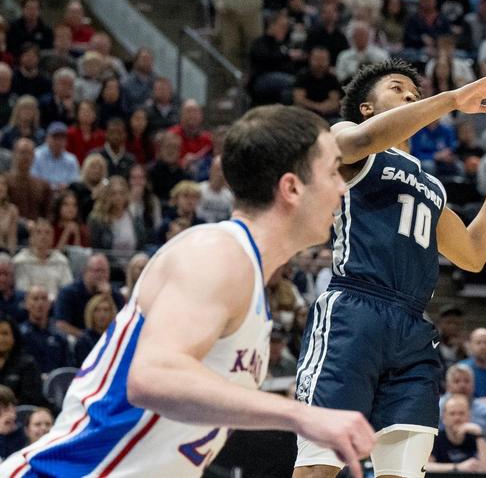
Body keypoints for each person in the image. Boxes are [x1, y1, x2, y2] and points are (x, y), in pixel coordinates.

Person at [0, 105, 375, 477]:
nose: (343, 188)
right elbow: (153, 377)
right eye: (332, 173)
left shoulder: (247, 278)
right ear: (291, 187)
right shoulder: (217, 254)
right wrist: (301, 415)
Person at [292, 62, 486, 478]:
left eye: (415, 96)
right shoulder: (346, 135)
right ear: (366, 107)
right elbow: (364, 138)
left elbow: (472, 254)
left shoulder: (432, 185)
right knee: (319, 467)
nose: (409, 97)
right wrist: (454, 99)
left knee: (402, 471)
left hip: (413, 328)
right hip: (355, 310)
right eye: (398, 89)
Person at [51, 252, 124, 337]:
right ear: (86, 272)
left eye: (104, 271)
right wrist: (87, 339)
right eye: (97, 271)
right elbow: (61, 324)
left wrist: (109, 297)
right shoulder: (68, 292)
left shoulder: (115, 294)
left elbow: (122, 322)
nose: (101, 275)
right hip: (77, 341)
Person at [425, 394, 486, 473]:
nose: (457, 418)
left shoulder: (475, 437)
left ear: (468, 416)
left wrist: (479, 434)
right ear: (444, 418)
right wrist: (458, 467)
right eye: (452, 414)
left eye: (461, 413)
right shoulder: (435, 438)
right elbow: (426, 466)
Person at [11, 220, 72, 298]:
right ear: (31, 238)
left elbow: (67, 289)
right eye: (38, 232)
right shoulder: (20, 261)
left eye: (47, 233)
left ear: (52, 238)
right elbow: (21, 290)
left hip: (56, 305)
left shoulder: (61, 261)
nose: (43, 236)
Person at [18, 286, 71, 374]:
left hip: (55, 384)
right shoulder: (19, 334)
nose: (40, 303)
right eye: (35, 299)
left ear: (50, 304)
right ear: (26, 304)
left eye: (44, 299)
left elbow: (67, 367)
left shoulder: (60, 334)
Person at [73, 291, 117, 363]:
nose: (102, 315)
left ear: (112, 313)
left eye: (106, 310)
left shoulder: (118, 337)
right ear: (91, 313)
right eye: (97, 310)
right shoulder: (84, 341)